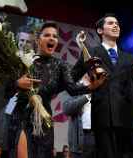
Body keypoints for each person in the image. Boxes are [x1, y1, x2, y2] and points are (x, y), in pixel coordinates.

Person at [8, 22, 105, 158]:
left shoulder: (60, 65)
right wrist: (17, 83)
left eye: (55, 36)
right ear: (38, 40)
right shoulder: (21, 61)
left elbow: (72, 89)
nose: (52, 38)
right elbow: (6, 91)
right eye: (47, 35)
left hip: (44, 120)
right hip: (20, 118)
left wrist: (91, 87)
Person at [72, 13, 133, 158]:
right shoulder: (91, 53)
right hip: (104, 119)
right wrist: (88, 88)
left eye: (117, 23)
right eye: (110, 23)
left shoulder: (129, 58)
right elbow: (71, 80)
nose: (116, 25)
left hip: (127, 119)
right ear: (100, 30)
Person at [63, 74, 96, 158]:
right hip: (80, 138)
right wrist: (87, 96)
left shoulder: (101, 86)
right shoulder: (73, 87)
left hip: (98, 136)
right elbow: (66, 109)